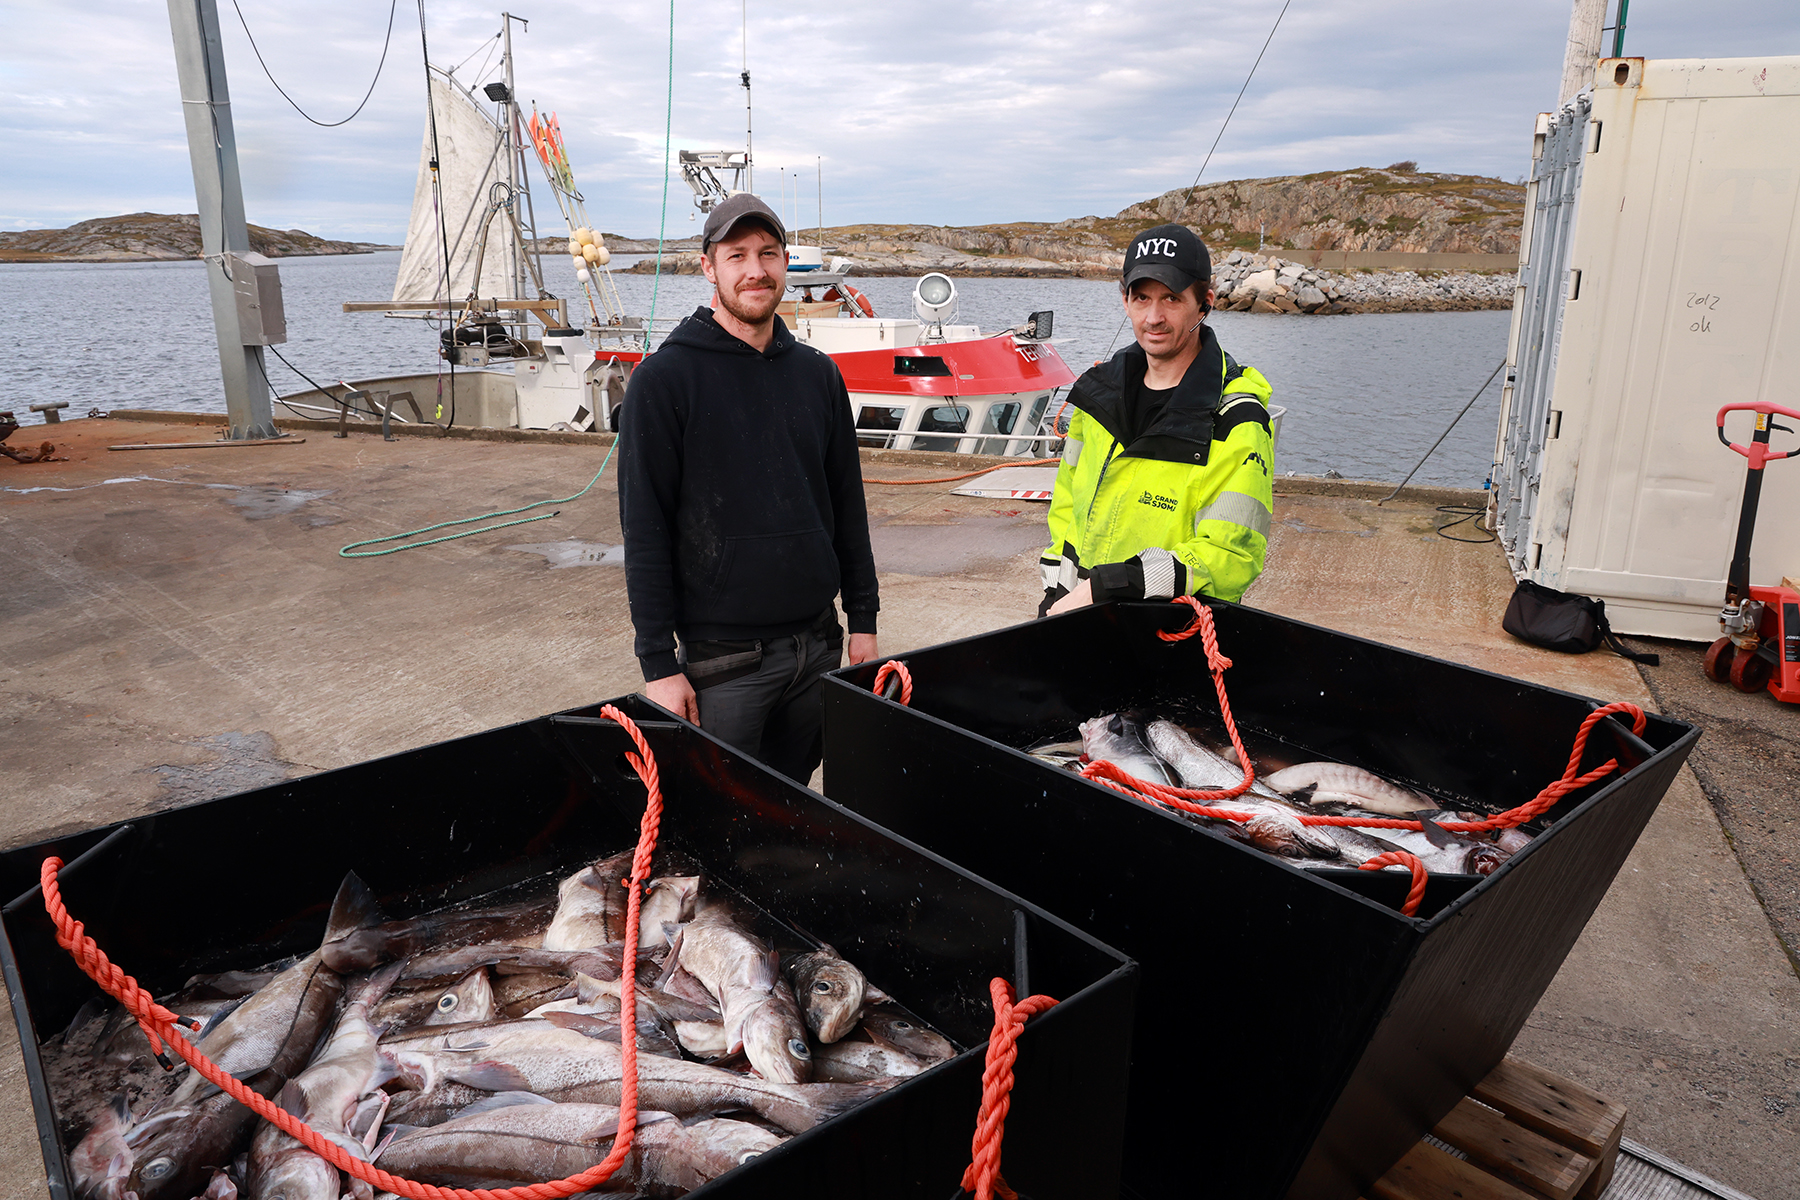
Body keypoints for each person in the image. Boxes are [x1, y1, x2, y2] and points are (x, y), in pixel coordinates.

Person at [618, 193, 880, 781]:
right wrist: (658, 664)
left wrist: (862, 619)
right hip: (725, 665)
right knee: (717, 819)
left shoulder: (818, 375)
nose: (755, 269)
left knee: (786, 812)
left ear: (786, 262)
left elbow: (847, 505)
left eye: (768, 253)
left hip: (818, 648)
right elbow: (645, 530)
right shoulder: (663, 381)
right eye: (736, 255)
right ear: (708, 266)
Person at [1039, 224, 1274, 616]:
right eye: (1141, 297)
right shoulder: (1097, 397)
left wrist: (1117, 583)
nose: (1153, 317)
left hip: (1173, 632)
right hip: (1084, 619)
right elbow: (1066, 512)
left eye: (1171, 298)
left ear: (1205, 303)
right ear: (1125, 301)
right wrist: (1055, 595)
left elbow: (1233, 554)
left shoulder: (1236, 418)